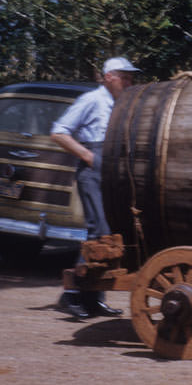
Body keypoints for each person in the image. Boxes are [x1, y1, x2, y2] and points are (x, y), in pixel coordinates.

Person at [52, 56, 140, 318]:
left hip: (113, 170)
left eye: (131, 77)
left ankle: (94, 298)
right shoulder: (92, 100)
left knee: (112, 230)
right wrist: (88, 156)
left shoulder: (122, 104)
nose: (130, 81)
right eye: (125, 76)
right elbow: (59, 132)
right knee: (98, 230)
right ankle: (72, 294)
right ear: (109, 77)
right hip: (93, 170)